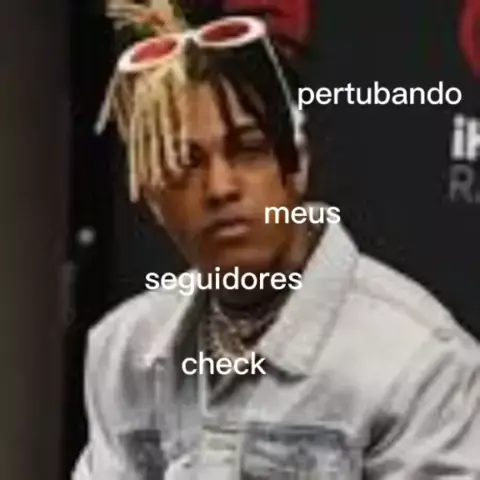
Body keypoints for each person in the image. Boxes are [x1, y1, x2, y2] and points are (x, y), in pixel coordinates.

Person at [73, 1, 480, 478]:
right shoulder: (123, 351)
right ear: (152, 196)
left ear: (297, 164)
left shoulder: (419, 361)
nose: (220, 187)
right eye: (186, 163)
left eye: (248, 150)